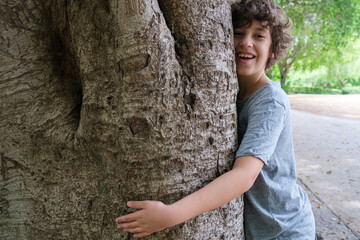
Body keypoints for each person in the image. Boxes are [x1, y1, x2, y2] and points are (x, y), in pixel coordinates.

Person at [115, 0, 316, 239]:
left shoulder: (270, 101)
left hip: (285, 229)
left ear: (273, 49)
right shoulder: (227, 94)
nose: (246, 42)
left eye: (259, 36)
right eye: (238, 33)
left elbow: (245, 175)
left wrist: (170, 215)